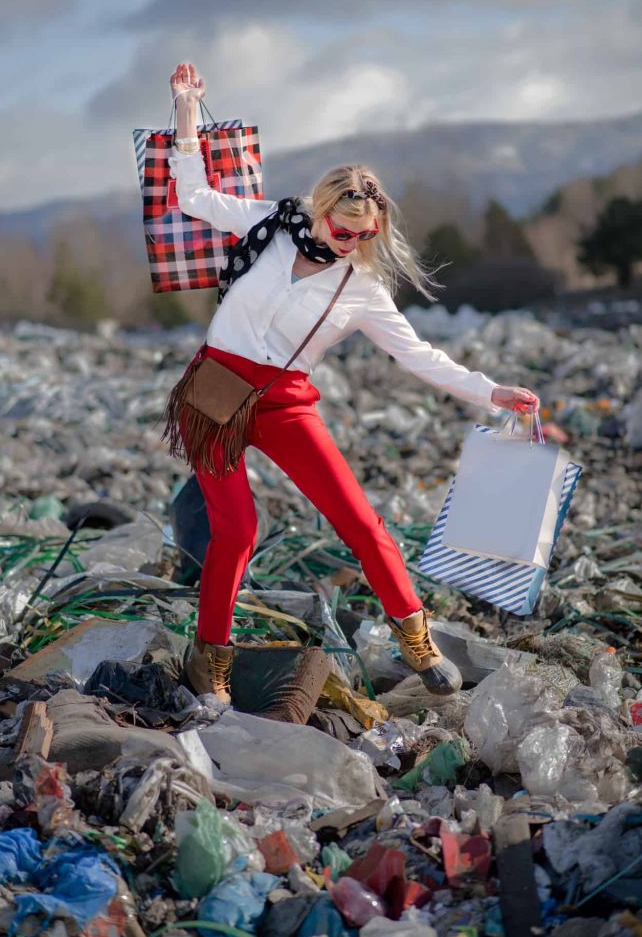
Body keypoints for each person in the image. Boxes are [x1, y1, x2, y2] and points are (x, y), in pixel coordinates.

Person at [165, 61, 540, 705]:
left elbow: (416, 354)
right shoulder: (266, 224)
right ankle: (211, 661)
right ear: (320, 209)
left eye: (365, 236)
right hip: (216, 394)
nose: (351, 243)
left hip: (286, 402)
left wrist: (489, 392)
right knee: (237, 530)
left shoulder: (362, 287)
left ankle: (416, 638)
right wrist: (187, 111)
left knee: (360, 521)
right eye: (342, 231)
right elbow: (193, 196)